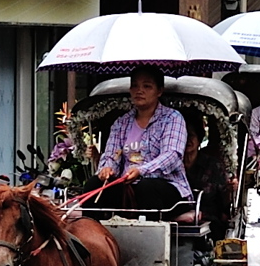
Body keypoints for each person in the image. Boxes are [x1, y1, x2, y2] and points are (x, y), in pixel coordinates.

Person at [83, 65, 191, 211]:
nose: (139, 91)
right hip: (126, 187)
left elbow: (172, 155)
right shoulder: (122, 123)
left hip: (165, 186)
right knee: (93, 185)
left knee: (146, 187)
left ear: (159, 91)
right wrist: (106, 169)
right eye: (135, 86)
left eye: (147, 86)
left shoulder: (172, 118)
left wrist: (142, 171)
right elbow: (111, 155)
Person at [183, 116, 233, 232]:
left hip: (209, 222)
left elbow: (223, 201)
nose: (187, 139)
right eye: (183, 135)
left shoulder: (212, 165)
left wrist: (230, 189)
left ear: (199, 138)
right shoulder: (170, 164)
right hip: (177, 221)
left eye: (191, 135)